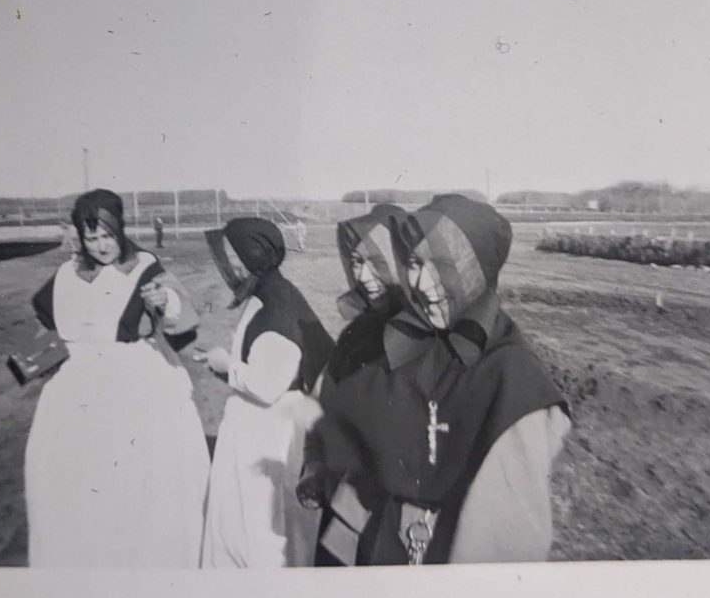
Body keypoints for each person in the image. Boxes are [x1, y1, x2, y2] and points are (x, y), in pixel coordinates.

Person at [306, 194, 571, 565]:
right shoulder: (412, 342)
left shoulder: (511, 378)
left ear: (478, 270)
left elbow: (503, 545)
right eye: (413, 264)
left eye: (441, 267)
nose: (422, 284)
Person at [24, 189, 210, 568]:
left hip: (134, 384)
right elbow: (52, 329)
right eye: (91, 238)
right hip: (74, 394)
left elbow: (179, 313)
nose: (101, 246)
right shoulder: (67, 274)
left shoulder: (144, 267)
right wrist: (32, 359)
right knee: (71, 483)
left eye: (107, 236)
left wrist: (164, 304)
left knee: (135, 482)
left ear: (120, 230)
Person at [200, 218, 335, 567]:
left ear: (253, 254)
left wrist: (224, 364)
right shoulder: (268, 292)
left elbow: (268, 384)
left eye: (235, 254)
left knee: (259, 527)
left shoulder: (277, 306)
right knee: (246, 522)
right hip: (257, 426)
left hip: (266, 430)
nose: (229, 263)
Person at [295, 204, 408, 565]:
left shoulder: (421, 337)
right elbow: (323, 401)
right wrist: (314, 465)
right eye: (356, 262)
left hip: (386, 509)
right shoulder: (356, 331)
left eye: (377, 262)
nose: (364, 275)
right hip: (342, 495)